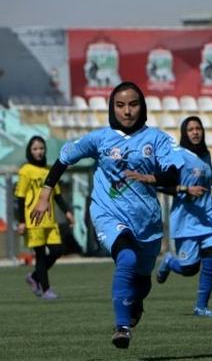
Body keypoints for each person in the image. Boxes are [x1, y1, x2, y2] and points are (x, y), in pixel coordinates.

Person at [30, 82, 183, 349]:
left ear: (142, 106)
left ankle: (135, 303)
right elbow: (64, 159)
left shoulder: (158, 139)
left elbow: (174, 172)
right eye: (120, 105)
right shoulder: (100, 138)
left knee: (142, 282)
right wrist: (45, 194)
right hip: (107, 213)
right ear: (112, 107)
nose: (127, 111)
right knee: (126, 257)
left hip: (147, 223)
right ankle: (121, 327)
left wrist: (152, 176)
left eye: (133, 104)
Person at [156, 116, 212, 317]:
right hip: (186, 220)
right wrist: (186, 189)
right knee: (189, 269)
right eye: (191, 129)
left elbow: (206, 177)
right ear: (184, 133)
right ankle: (169, 261)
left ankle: (201, 307)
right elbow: (159, 184)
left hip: (208, 216)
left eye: (198, 128)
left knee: (211, 257)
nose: (195, 132)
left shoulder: (206, 154)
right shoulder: (177, 156)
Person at [15, 136, 74, 299]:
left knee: (57, 251)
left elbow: (57, 195)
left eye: (41, 148)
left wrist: (67, 211)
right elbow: (19, 197)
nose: (39, 151)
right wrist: (21, 221)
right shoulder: (25, 170)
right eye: (35, 149)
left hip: (50, 218)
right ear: (30, 151)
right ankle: (46, 289)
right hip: (33, 219)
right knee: (40, 255)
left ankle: (33, 277)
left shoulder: (49, 169)